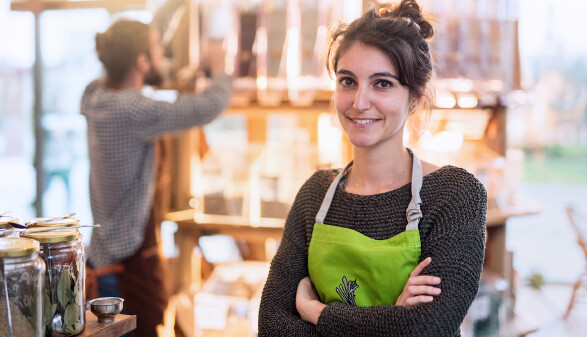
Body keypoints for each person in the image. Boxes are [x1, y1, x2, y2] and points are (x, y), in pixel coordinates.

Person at [258, 0, 487, 336]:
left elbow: (428, 327)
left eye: (382, 84)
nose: (359, 102)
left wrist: (316, 312)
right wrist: (392, 318)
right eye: (348, 81)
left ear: (415, 96)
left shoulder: (454, 195)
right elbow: (272, 325)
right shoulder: (315, 194)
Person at [80, 0, 233, 335]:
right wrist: (221, 67)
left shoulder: (97, 94)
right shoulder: (134, 111)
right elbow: (208, 106)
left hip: (105, 257)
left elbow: (149, 37)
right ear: (141, 61)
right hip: (126, 268)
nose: (163, 54)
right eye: (156, 51)